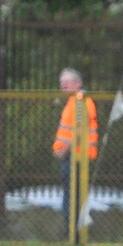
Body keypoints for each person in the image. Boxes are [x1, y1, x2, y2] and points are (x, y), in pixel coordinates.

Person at [52, 68, 98, 226]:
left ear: (78, 83)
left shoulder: (81, 101)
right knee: (70, 195)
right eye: (61, 83)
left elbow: (80, 130)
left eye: (67, 83)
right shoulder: (72, 101)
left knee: (73, 197)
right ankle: (72, 231)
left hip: (77, 157)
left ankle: (73, 232)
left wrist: (63, 150)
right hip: (70, 156)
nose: (63, 86)